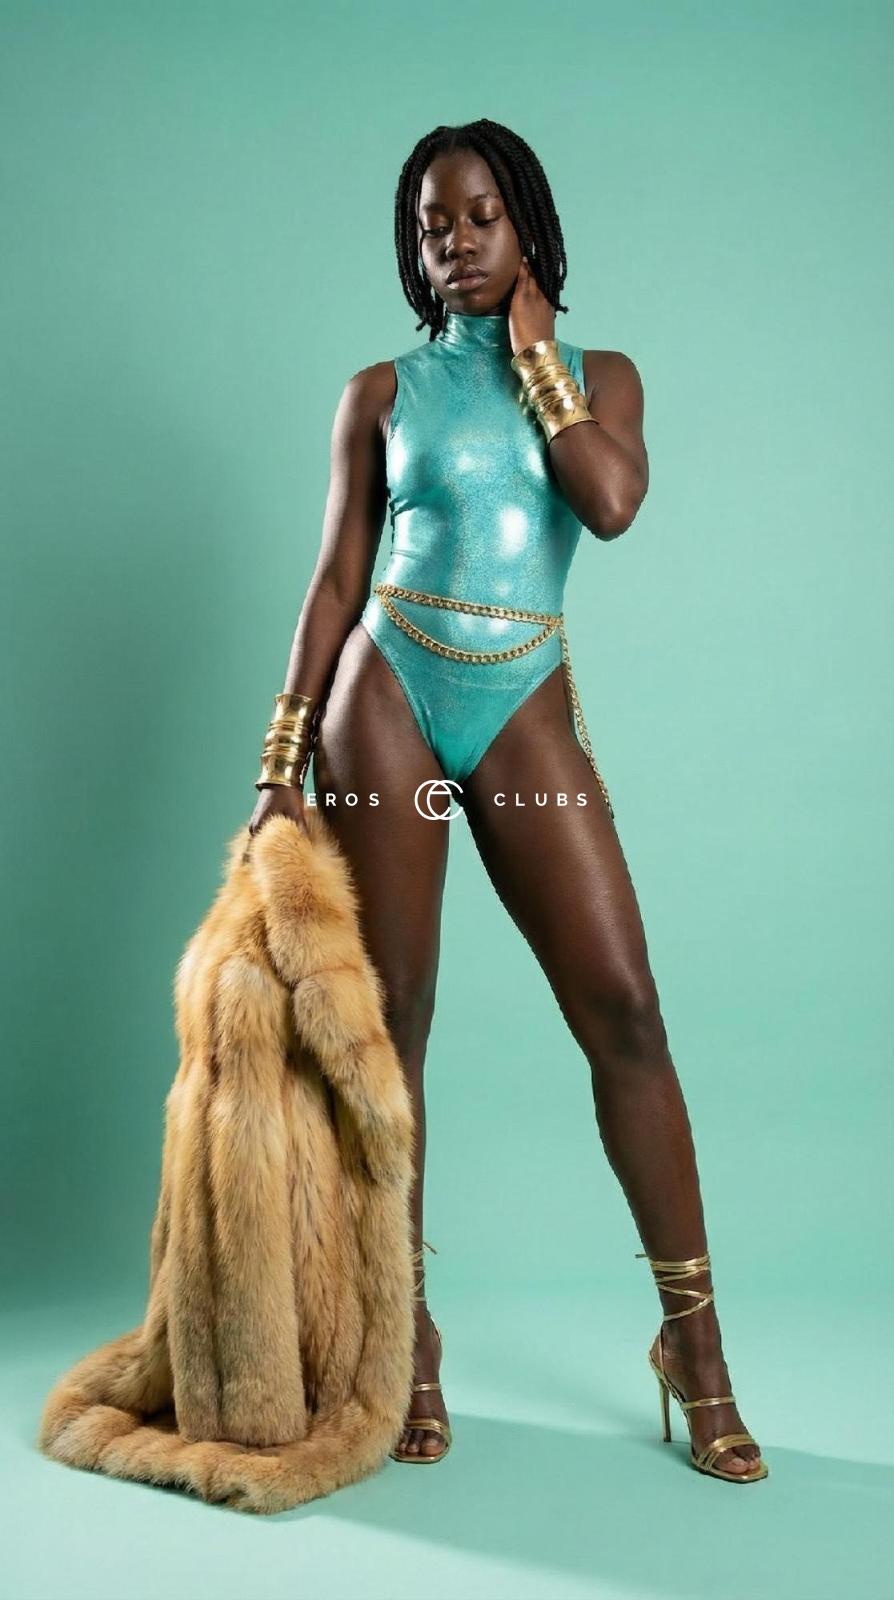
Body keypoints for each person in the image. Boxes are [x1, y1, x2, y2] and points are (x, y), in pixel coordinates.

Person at [248, 119, 767, 1483]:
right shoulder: (378, 392)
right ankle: (403, 1339)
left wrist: (538, 361)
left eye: (480, 217)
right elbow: (334, 577)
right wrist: (279, 763)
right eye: (433, 226)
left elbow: (611, 502)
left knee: (624, 1009)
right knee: (394, 1021)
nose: (455, 244)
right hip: (385, 698)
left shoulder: (602, 377)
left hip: (522, 703)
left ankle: (695, 1346)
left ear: (526, 223)